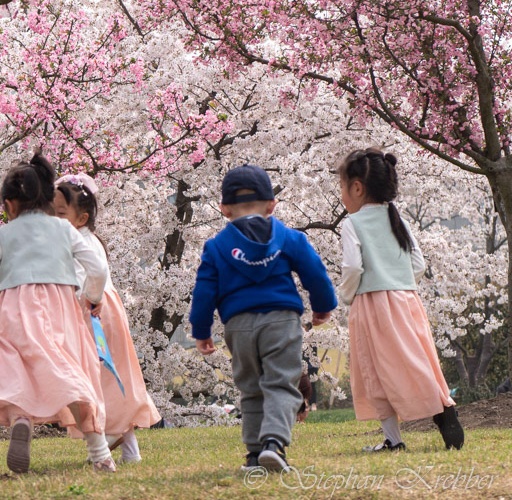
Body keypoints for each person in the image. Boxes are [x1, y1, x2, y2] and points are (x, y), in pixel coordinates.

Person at [0, 151, 116, 473]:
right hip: (58, 308)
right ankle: (99, 452)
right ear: (49, 198)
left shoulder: (4, 233)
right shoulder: (65, 231)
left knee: (16, 368)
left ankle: (22, 419)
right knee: (70, 371)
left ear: (8, 205)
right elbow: (98, 266)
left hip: (11, 309)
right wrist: (92, 296)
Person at [189, 164, 337, 472]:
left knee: (252, 388)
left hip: (239, 326)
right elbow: (315, 272)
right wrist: (323, 306)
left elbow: (204, 291)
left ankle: (255, 455)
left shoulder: (216, 247)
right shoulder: (289, 238)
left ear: (224, 209)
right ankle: (274, 443)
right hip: (282, 321)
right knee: (281, 384)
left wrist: (202, 330)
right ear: (272, 204)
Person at [337, 148, 464, 452]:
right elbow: (418, 265)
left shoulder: (352, 224)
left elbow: (353, 267)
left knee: (375, 370)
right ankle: (441, 404)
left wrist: (346, 294)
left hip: (370, 304)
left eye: (342, 188)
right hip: (407, 301)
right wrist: (401, 284)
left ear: (357, 187)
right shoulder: (399, 221)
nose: (342, 195)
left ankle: (394, 439)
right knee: (416, 359)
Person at [54, 173, 161, 464]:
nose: (54, 219)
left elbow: (89, 277)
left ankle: (109, 439)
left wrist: (89, 298)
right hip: (103, 311)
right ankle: (130, 449)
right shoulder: (84, 239)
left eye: (61, 213)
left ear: (82, 217)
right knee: (113, 378)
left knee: (97, 381)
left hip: (93, 313)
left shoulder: (78, 242)